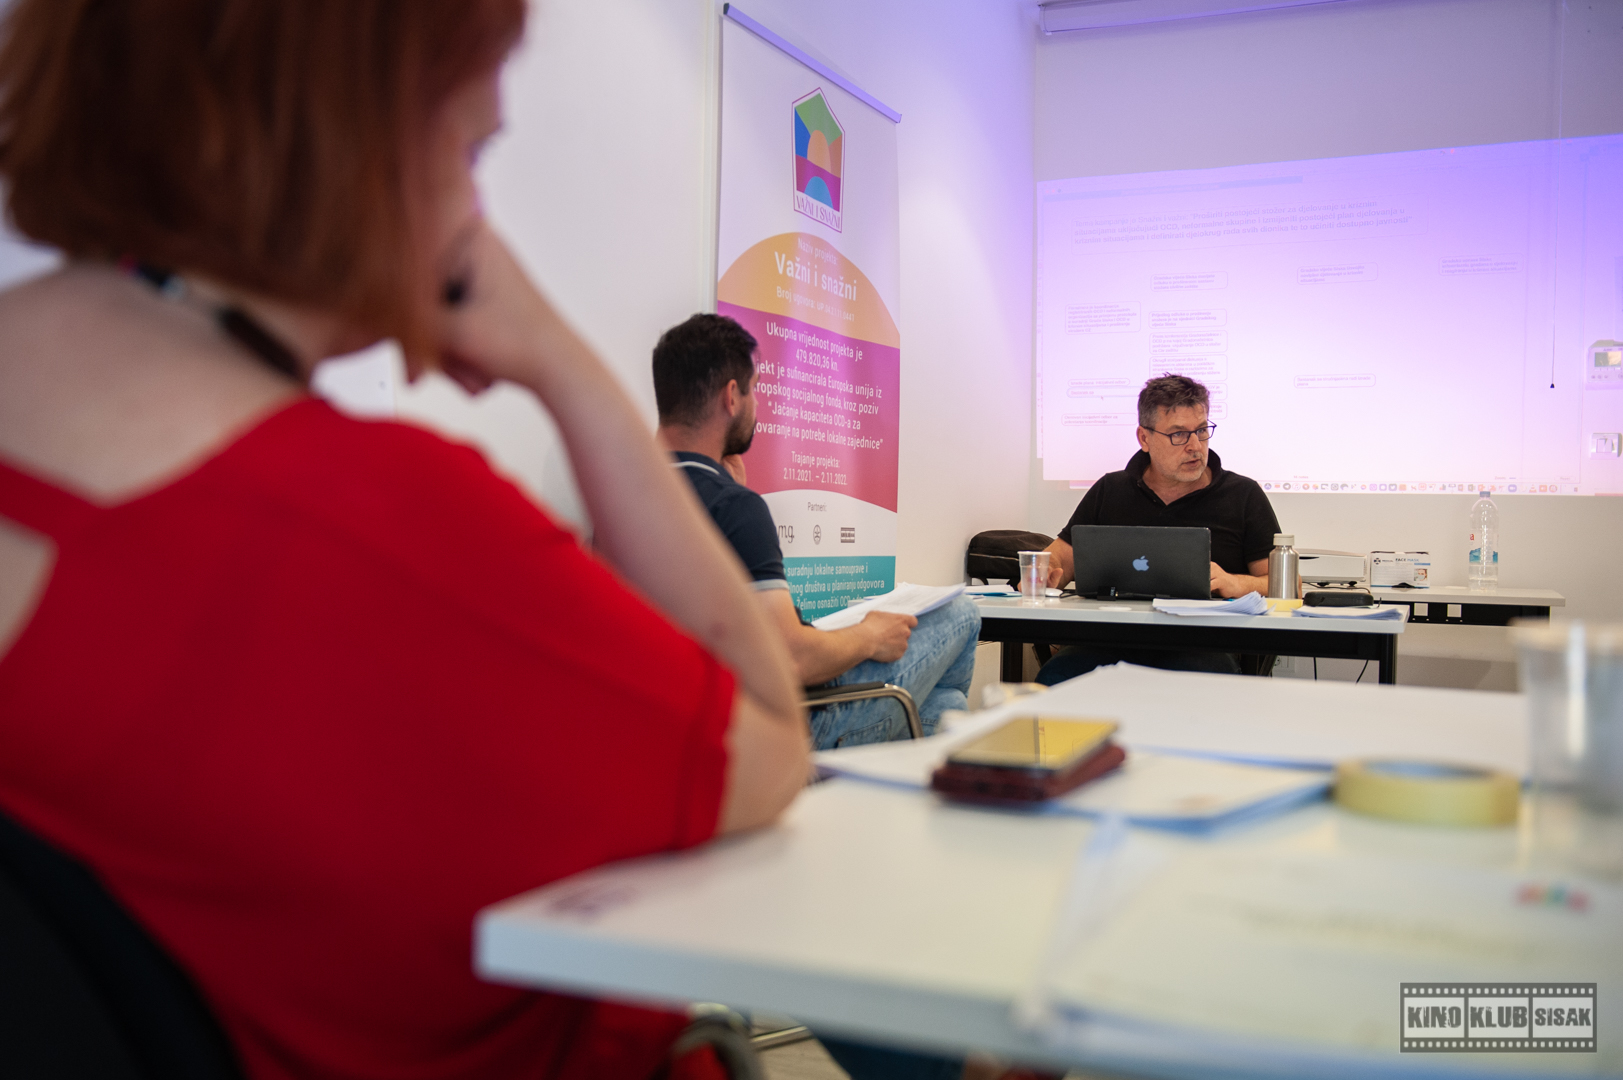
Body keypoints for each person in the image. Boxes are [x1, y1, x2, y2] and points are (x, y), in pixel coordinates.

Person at [0, 3, 810, 1079]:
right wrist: (565, 367)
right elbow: (771, 742)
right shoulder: (390, 525)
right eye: (470, 152)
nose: (475, 212)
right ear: (354, 141)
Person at [652, 314, 982, 750]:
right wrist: (870, 635)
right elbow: (792, 659)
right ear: (731, 396)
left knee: (943, 706)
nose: (757, 405)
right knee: (963, 613)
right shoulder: (733, 508)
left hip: (685, 722)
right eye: (755, 390)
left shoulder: (624, 496)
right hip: (795, 726)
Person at [1036, 375, 1281, 684]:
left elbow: (1286, 586)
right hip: (1108, 639)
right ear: (1144, 438)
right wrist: (1046, 572)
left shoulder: (1243, 494)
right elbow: (1060, 559)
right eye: (1179, 434)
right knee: (1054, 678)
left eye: (1201, 431)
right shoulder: (1111, 489)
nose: (1195, 446)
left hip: (1203, 645)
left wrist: (1235, 583)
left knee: (1198, 685)